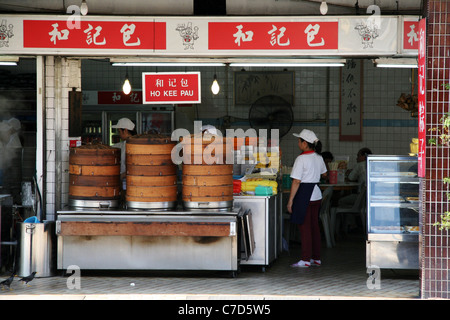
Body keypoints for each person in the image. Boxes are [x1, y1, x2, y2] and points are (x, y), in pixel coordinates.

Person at [287, 129, 327, 268]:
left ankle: (305, 259)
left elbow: (296, 181)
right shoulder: (319, 157)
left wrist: (291, 200)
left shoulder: (301, 159)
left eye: (299, 141)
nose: (298, 143)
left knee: (305, 228)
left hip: (305, 194)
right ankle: (316, 258)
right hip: (316, 194)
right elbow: (324, 174)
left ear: (305, 143)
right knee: (315, 227)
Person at [111, 118, 136, 190]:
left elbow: (134, 167)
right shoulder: (124, 143)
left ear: (125, 130)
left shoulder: (134, 145)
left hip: (130, 184)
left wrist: (121, 176)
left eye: (119, 131)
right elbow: (116, 146)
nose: (119, 134)